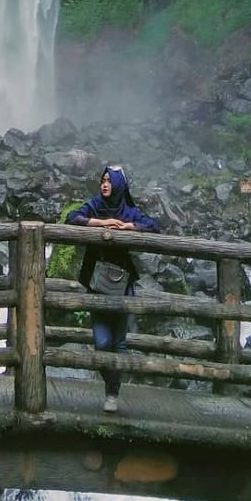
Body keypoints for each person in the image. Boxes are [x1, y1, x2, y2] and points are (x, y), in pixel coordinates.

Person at [65, 164, 160, 414]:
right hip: (98, 284)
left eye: (110, 181)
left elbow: (154, 226)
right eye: (103, 180)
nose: (105, 184)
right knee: (102, 342)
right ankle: (111, 384)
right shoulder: (96, 204)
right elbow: (72, 217)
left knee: (118, 342)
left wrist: (131, 228)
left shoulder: (129, 211)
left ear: (119, 185)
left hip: (123, 284)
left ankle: (112, 393)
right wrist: (100, 223)